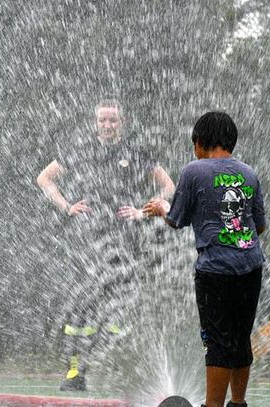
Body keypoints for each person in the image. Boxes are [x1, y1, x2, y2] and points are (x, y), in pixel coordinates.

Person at [37, 98, 175, 391]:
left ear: (121, 123)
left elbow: (169, 186)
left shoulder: (135, 151)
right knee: (82, 306)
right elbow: (44, 178)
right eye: (103, 120)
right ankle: (76, 372)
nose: (108, 125)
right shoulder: (79, 149)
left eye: (113, 120)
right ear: (95, 122)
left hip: (124, 241)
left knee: (119, 307)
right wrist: (66, 206)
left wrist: (143, 211)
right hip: (86, 241)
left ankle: (118, 369)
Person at [144, 112, 266, 407]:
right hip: (251, 266)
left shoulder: (194, 170)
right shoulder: (249, 173)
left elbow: (176, 219)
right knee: (240, 338)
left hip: (215, 271)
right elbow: (259, 225)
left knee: (217, 343)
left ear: (199, 142)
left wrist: (162, 207)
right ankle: (238, 403)